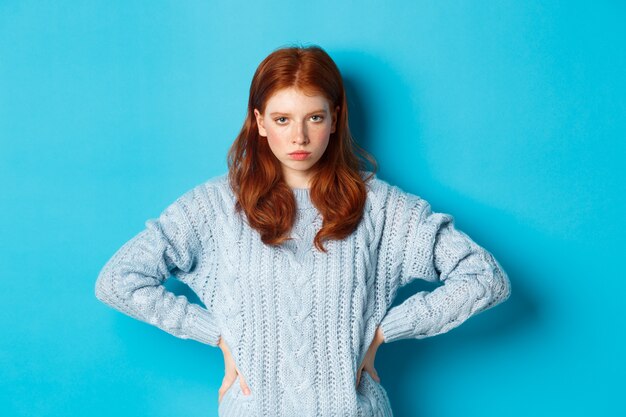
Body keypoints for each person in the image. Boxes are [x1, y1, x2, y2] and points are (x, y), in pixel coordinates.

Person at [95, 44, 511, 417]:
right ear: (259, 122)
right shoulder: (215, 207)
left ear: (335, 119)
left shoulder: (381, 206)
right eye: (282, 118)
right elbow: (119, 280)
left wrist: (384, 331)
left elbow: (485, 278)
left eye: (314, 117)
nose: (299, 136)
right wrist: (219, 335)